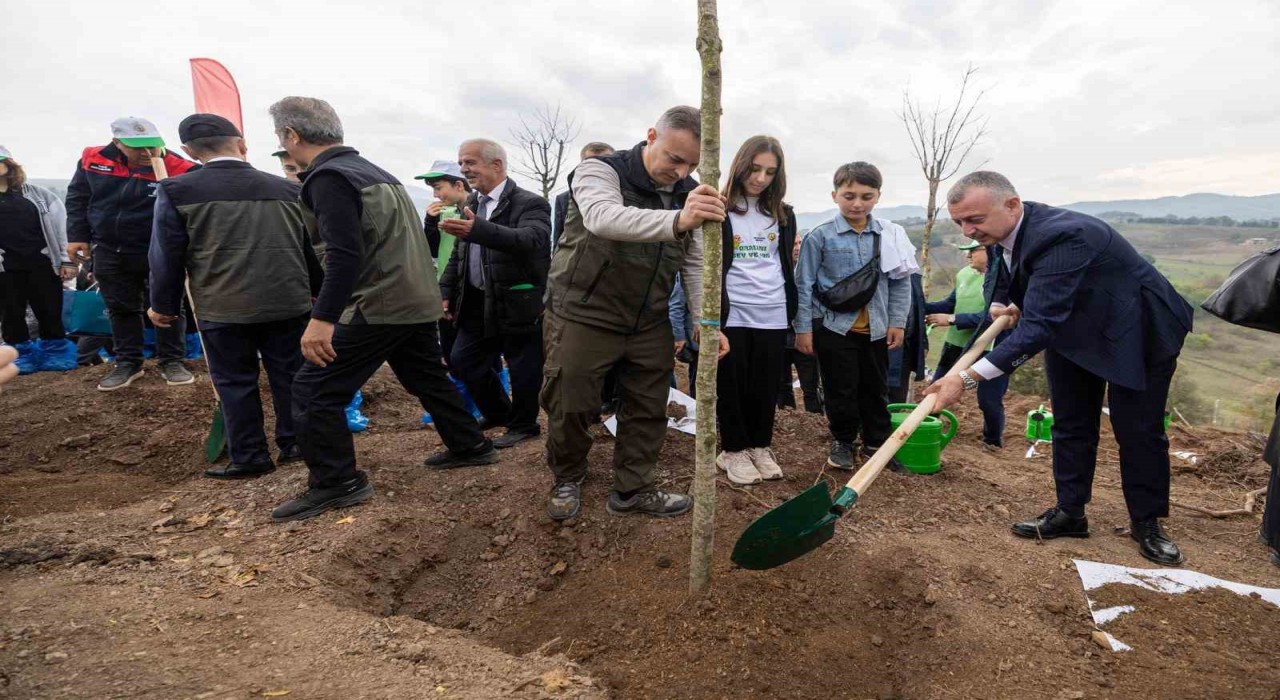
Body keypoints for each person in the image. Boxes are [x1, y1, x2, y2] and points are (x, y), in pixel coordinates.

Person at [926, 171, 1194, 566]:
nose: (968, 231)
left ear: (1012, 205)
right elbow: (1006, 275)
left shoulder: (1064, 234)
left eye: (975, 220)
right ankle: (1071, 512)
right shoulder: (998, 233)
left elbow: (1039, 326)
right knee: (1070, 422)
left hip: (1136, 328)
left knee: (1139, 429)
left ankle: (1147, 522)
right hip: (1072, 328)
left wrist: (965, 378)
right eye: (959, 222)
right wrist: (1003, 303)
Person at [266, 96, 494, 522]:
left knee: (314, 389)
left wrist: (323, 319)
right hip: (416, 297)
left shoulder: (329, 178)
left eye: (281, 137)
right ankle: (470, 444)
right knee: (425, 376)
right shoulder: (375, 172)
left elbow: (343, 253)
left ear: (291, 135)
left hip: (379, 301)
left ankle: (336, 482)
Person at [541, 105, 728, 521]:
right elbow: (602, 218)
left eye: (692, 165)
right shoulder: (601, 171)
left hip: (648, 318)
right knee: (572, 402)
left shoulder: (689, 191)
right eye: (675, 158)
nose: (681, 172)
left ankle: (633, 487)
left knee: (648, 404)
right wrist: (679, 218)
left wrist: (703, 320)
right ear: (651, 136)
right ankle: (568, 476)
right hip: (583, 312)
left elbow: (694, 261)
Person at [147, 113, 315, 480]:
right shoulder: (288, 190)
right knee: (291, 376)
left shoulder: (176, 191)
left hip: (223, 306)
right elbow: (309, 250)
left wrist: (163, 306)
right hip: (287, 302)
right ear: (242, 145)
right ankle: (298, 444)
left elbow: (166, 254)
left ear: (188, 151)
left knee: (235, 382)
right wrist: (317, 294)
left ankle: (250, 456)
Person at [794, 162, 915, 472]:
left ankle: (876, 444)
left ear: (878, 196)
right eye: (849, 196)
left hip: (877, 328)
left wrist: (897, 321)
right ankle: (843, 442)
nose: (857, 204)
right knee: (840, 388)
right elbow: (803, 285)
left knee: (876, 388)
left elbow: (900, 282)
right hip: (834, 327)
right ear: (835, 195)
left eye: (866, 196)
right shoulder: (819, 237)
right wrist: (803, 329)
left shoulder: (889, 235)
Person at [65, 117, 199, 391]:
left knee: (168, 305)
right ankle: (128, 362)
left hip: (157, 249)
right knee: (120, 307)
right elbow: (78, 198)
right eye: (137, 147)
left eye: (152, 145)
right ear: (117, 143)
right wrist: (77, 235)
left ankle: (172, 360)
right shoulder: (93, 159)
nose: (147, 153)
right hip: (109, 247)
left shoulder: (179, 167)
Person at [439, 139, 551, 449]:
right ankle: (500, 413)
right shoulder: (471, 203)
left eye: (470, 162)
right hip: (476, 300)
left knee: (522, 365)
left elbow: (533, 239)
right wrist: (445, 289)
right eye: (461, 163)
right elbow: (459, 254)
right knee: (462, 359)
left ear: (496, 164)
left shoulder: (530, 203)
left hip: (518, 299)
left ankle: (524, 424)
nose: (464, 169)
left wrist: (479, 230)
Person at [714, 136, 798, 484]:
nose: (760, 178)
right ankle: (732, 450)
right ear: (740, 165)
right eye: (754, 168)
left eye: (770, 172)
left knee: (765, 384)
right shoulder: (720, 209)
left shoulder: (783, 214)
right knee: (732, 382)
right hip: (733, 309)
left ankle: (760, 446)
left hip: (772, 309)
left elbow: (783, 264)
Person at [924, 240, 1009, 448]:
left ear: (990, 251)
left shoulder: (1003, 281)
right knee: (937, 387)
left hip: (990, 347)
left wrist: (953, 319)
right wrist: (921, 306)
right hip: (956, 343)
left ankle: (992, 442)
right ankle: (927, 429)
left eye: (973, 251)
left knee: (988, 399)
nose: (968, 255)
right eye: (966, 251)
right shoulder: (964, 274)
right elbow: (950, 303)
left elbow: (995, 317)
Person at [0, 146, 77, 374]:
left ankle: (56, 352)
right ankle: (19, 355)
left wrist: (66, 260)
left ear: (10, 164)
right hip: (5, 268)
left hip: (42, 263)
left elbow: (61, 229)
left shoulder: (40, 195)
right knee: (10, 314)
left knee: (50, 311)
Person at [777, 231, 823, 414]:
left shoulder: (812, 271)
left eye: (799, 243)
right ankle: (786, 414)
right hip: (781, 335)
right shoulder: (776, 271)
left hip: (805, 335)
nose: (797, 248)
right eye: (793, 244)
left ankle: (815, 417)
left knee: (811, 384)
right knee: (782, 385)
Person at [552, 142, 614, 250]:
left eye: (605, 161)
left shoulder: (630, 196)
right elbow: (559, 237)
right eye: (592, 163)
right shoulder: (564, 199)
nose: (599, 168)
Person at [887, 271, 928, 404]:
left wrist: (923, 343)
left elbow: (918, 309)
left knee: (897, 397)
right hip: (882, 348)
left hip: (905, 349)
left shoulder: (912, 276)